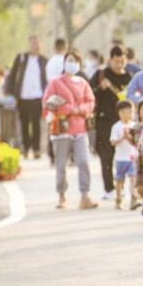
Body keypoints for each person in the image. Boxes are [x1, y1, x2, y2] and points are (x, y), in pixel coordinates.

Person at [41, 51, 98, 210]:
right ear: (64, 63)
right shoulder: (55, 83)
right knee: (61, 165)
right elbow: (47, 102)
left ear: (79, 64)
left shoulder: (82, 83)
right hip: (61, 130)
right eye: (69, 60)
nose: (71, 63)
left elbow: (91, 101)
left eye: (74, 60)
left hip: (80, 129)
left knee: (83, 162)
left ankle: (85, 195)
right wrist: (69, 109)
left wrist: (81, 109)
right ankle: (62, 195)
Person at [91, 45, 133, 201]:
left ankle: (125, 187)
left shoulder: (129, 77)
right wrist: (100, 88)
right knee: (106, 156)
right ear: (110, 60)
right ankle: (109, 188)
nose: (119, 64)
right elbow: (89, 94)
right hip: (104, 121)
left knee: (127, 155)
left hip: (124, 122)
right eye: (116, 61)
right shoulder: (101, 75)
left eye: (122, 61)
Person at [6, 35, 48, 159]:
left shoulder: (43, 60)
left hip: (38, 96)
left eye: (37, 43)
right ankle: (25, 147)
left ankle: (36, 149)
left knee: (36, 123)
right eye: (33, 43)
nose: (35, 46)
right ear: (29, 45)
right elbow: (12, 75)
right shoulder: (21, 58)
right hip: (23, 96)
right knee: (24, 122)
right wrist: (10, 91)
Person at [109, 100, 140, 210]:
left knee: (133, 178)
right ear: (120, 113)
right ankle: (118, 199)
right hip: (120, 159)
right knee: (119, 180)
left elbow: (137, 141)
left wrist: (130, 138)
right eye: (128, 112)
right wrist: (123, 137)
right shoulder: (116, 127)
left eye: (132, 112)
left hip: (132, 158)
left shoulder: (134, 125)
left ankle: (133, 199)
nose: (131, 115)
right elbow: (112, 142)